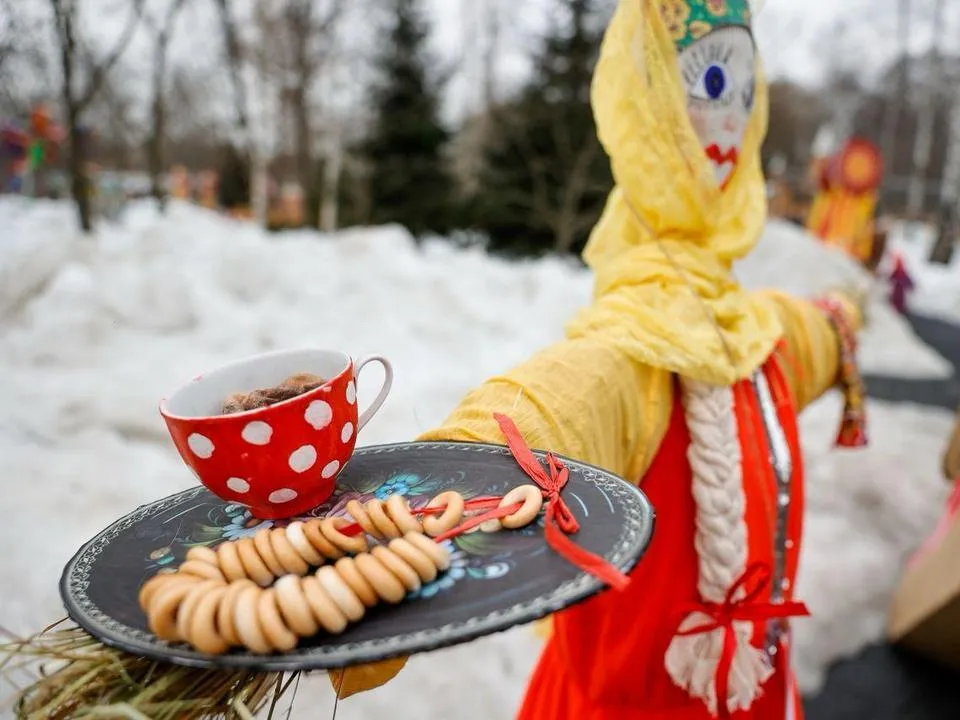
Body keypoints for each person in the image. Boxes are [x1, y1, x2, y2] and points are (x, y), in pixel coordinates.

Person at [330, 1, 866, 717]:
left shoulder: (758, 330)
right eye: (708, 83)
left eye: (745, 89)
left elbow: (818, 334)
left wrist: (844, 313)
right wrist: (402, 523)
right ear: (645, 106)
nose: (731, 121)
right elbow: (550, 407)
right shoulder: (630, 350)